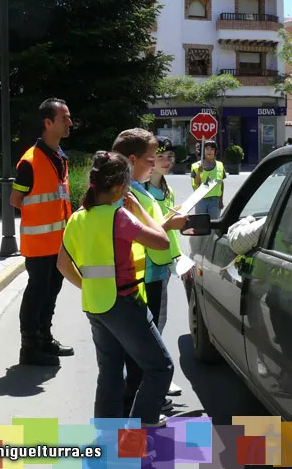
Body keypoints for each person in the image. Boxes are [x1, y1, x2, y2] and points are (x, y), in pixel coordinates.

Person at [57, 151, 174, 427]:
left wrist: (88, 286)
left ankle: (107, 440)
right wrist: (141, 210)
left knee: (108, 373)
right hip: (124, 304)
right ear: (122, 188)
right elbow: (161, 242)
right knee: (160, 367)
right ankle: (141, 427)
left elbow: (62, 264)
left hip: (96, 305)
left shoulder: (78, 218)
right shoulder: (119, 217)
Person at [110, 128, 188, 418]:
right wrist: (167, 227)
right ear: (132, 160)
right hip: (140, 281)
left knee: (131, 358)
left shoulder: (135, 191)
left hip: (147, 278)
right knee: (149, 358)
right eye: (151, 159)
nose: (155, 164)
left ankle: (135, 411)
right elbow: (147, 236)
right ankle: (144, 414)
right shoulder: (125, 195)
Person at [10, 97, 74, 366]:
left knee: (51, 292)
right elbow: (16, 200)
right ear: (48, 123)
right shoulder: (30, 161)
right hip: (38, 245)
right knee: (37, 293)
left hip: (58, 244)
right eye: (64, 118)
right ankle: (29, 348)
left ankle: (45, 339)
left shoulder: (59, 156)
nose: (70, 122)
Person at [145, 136, 184, 397]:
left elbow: (169, 233)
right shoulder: (142, 192)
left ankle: (152, 378)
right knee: (152, 326)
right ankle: (154, 380)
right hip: (147, 267)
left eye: (170, 156)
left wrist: (178, 258)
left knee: (158, 322)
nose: (167, 161)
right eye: (161, 156)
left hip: (163, 265)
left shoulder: (166, 189)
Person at [190, 140, 226, 219]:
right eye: (207, 148)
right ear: (203, 150)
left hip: (215, 201)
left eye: (212, 149)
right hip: (200, 200)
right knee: (201, 225)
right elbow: (196, 184)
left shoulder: (220, 165)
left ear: (215, 151)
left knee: (214, 226)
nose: (209, 151)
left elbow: (221, 183)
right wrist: (199, 172)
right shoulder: (196, 166)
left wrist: (221, 200)